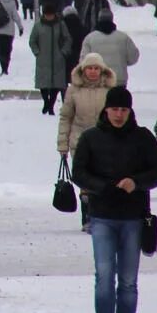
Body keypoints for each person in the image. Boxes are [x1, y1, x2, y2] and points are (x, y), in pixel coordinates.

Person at [71, 86, 157, 313]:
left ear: (130, 111)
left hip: (133, 218)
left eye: (124, 110)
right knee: (103, 278)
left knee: (127, 281)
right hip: (102, 217)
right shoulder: (91, 138)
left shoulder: (142, 138)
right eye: (115, 109)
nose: (119, 115)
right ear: (106, 109)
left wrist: (136, 183)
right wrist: (103, 187)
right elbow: (79, 172)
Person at [59, 53, 118, 227]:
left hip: (104, 143)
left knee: (101, 179)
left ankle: (99, 214)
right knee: (85, 180)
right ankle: (87, 216)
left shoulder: (110, 91)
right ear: (83, 70)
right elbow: (66, 117)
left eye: (96, 68)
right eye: (89, 68)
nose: (92, 72)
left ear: (102, 70)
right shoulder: (73, 90)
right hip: (79, 141)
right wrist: (62, 144)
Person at [29, 0, 74, 114]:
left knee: (56, 84)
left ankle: (51, 105)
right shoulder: (38, 26)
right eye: (47, 14)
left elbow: (67, 38)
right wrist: (37, 52)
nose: (49, 17)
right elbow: (32, 40)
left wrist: (63, 52)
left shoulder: (60, 24)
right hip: (43, 58)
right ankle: (46, 102)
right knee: (43, 83)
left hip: (58, 59)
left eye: (51, 14)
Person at [81, 11, 140, 87]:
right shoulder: (123, 37)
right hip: (119, 79)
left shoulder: (90, 38)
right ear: (112, 19)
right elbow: (133, 57)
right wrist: (123, 62)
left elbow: (84, 61)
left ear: (99, 19)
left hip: (97, 80)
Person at [60, 1, 88, 79]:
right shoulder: (82, 27)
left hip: (65, 57)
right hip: (78, 57)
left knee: (64, 79)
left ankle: (64, 91)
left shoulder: (61, 28)